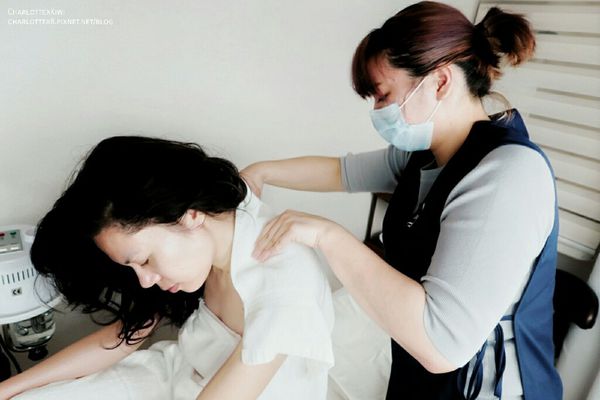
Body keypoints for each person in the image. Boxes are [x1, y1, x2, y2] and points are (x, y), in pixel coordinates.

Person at [242, 2, 562, 399]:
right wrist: (260, 172)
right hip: (415, 366)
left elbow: (442, 344)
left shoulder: (507, 176)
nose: (378, 112)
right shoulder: (428, 155)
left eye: (383, 96)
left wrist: (327, 236)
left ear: (440, 82)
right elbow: (340, 172)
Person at [0, 136, 334, 400]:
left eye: (144, 260)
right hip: (174, 373)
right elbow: (125, 335)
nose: (145, 281)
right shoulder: (217, 226)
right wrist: (8, 388)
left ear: (190, 215)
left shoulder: (284, 287)